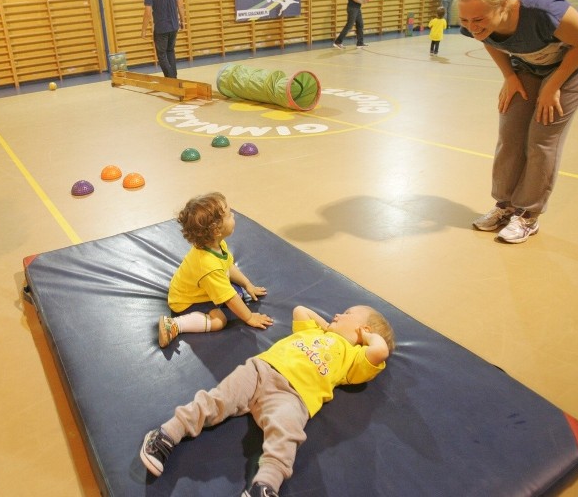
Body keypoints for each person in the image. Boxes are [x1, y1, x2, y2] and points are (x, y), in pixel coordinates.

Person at [141, 304, 395, 497]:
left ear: (365, 331)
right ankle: (165, 434)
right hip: (262, 370)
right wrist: (329, 327)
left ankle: (265, 485)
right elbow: (300, 311)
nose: (338, 315)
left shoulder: (354, 360)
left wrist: (365, 338)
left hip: (294, 397)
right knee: (217, 401)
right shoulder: (317, 331)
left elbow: (380, 350)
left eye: (347, 313)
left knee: (285, 435)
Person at [457, 0, 578, 243]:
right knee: (510, 133)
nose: (472, 28)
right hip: (529, 63)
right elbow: (489, 40)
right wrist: (510, 76)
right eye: (464, 21)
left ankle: (528, 214)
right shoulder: (475, 24)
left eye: (478, 19)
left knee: (542, 136)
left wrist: (553, 84)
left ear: (504, 5)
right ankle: (505, 205)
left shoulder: (543, 11)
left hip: (575, 62)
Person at [160, 192, 273, 348]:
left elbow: (227, 266)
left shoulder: (216, 245)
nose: (233, 214)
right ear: (216, 231)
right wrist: (249, 317)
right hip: (186, 301)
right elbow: (229, 298)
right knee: (219, 321)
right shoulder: (209, 266)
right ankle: (174, 325)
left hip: (198, 289)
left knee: (238, 292)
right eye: (228, 215)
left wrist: (247, 284)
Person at [141, 0, 186, 79]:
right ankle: (174, 77)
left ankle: (172, 79)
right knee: (170, 50)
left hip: (161, 28)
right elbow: (180, 4)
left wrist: (144, 30)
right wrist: (182, 21)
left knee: (162, 55)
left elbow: (147, 12)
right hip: (174, 26)